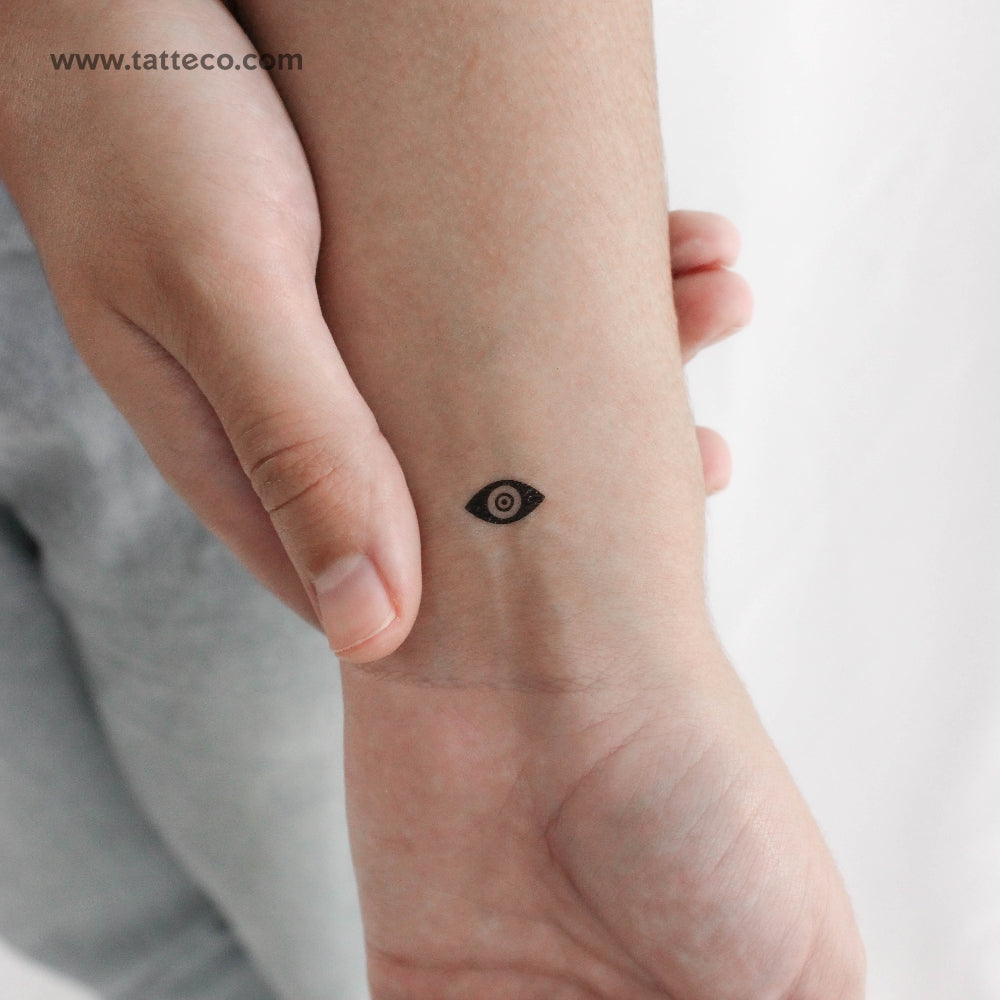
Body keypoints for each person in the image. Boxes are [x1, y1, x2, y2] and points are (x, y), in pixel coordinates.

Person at [0, 1, 865, 997]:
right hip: (151, 218)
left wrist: (573, 673)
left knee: (305, 885)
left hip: (190, 299)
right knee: (109, 924)